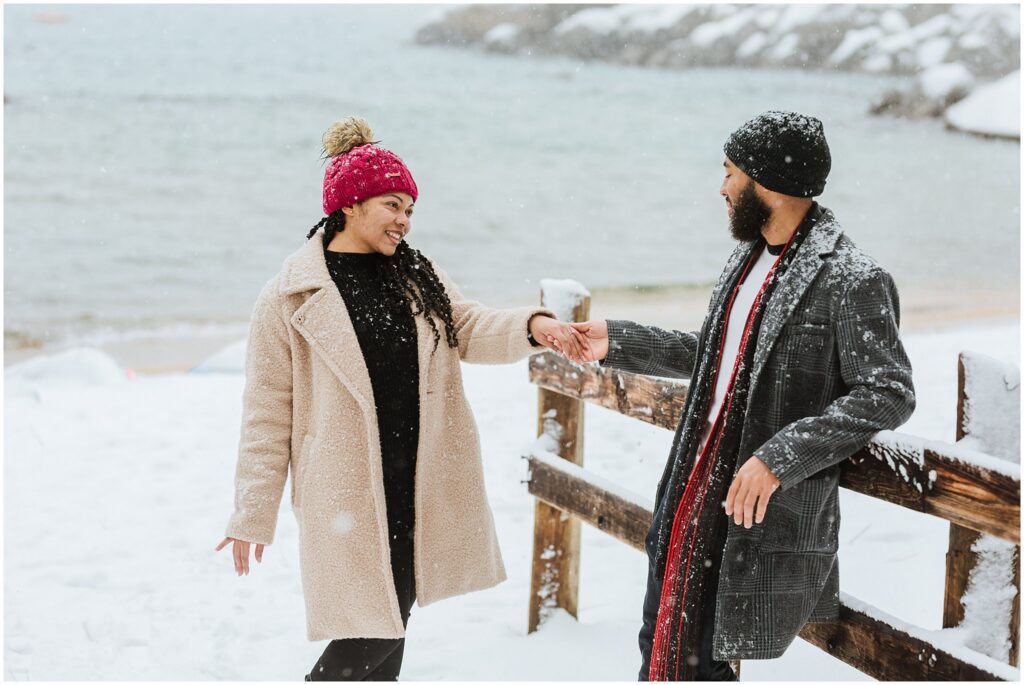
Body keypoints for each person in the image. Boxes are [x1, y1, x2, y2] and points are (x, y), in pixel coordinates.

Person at [215, 117, 587, 681]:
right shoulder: (289, 295)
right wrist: (252, 513)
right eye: (393, 205)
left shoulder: (416, 273)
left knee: (393, 618)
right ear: (351, 204)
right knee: (373, 629)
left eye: (410, 209)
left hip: (419, 481)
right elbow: (266, 415)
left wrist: (536, 326)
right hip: (346, 492)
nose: (404, 221)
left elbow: (467, 324)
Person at [555, 111, 916, 681]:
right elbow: (717, 355)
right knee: (658, 653)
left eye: (730, 173)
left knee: (701, 669)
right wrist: (618, 340)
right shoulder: (746, 257)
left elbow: (888, 392)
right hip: (686, 501)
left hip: (749, 523)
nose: (721, 188)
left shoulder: (853, 278)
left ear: (766, 181)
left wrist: (780, 456)